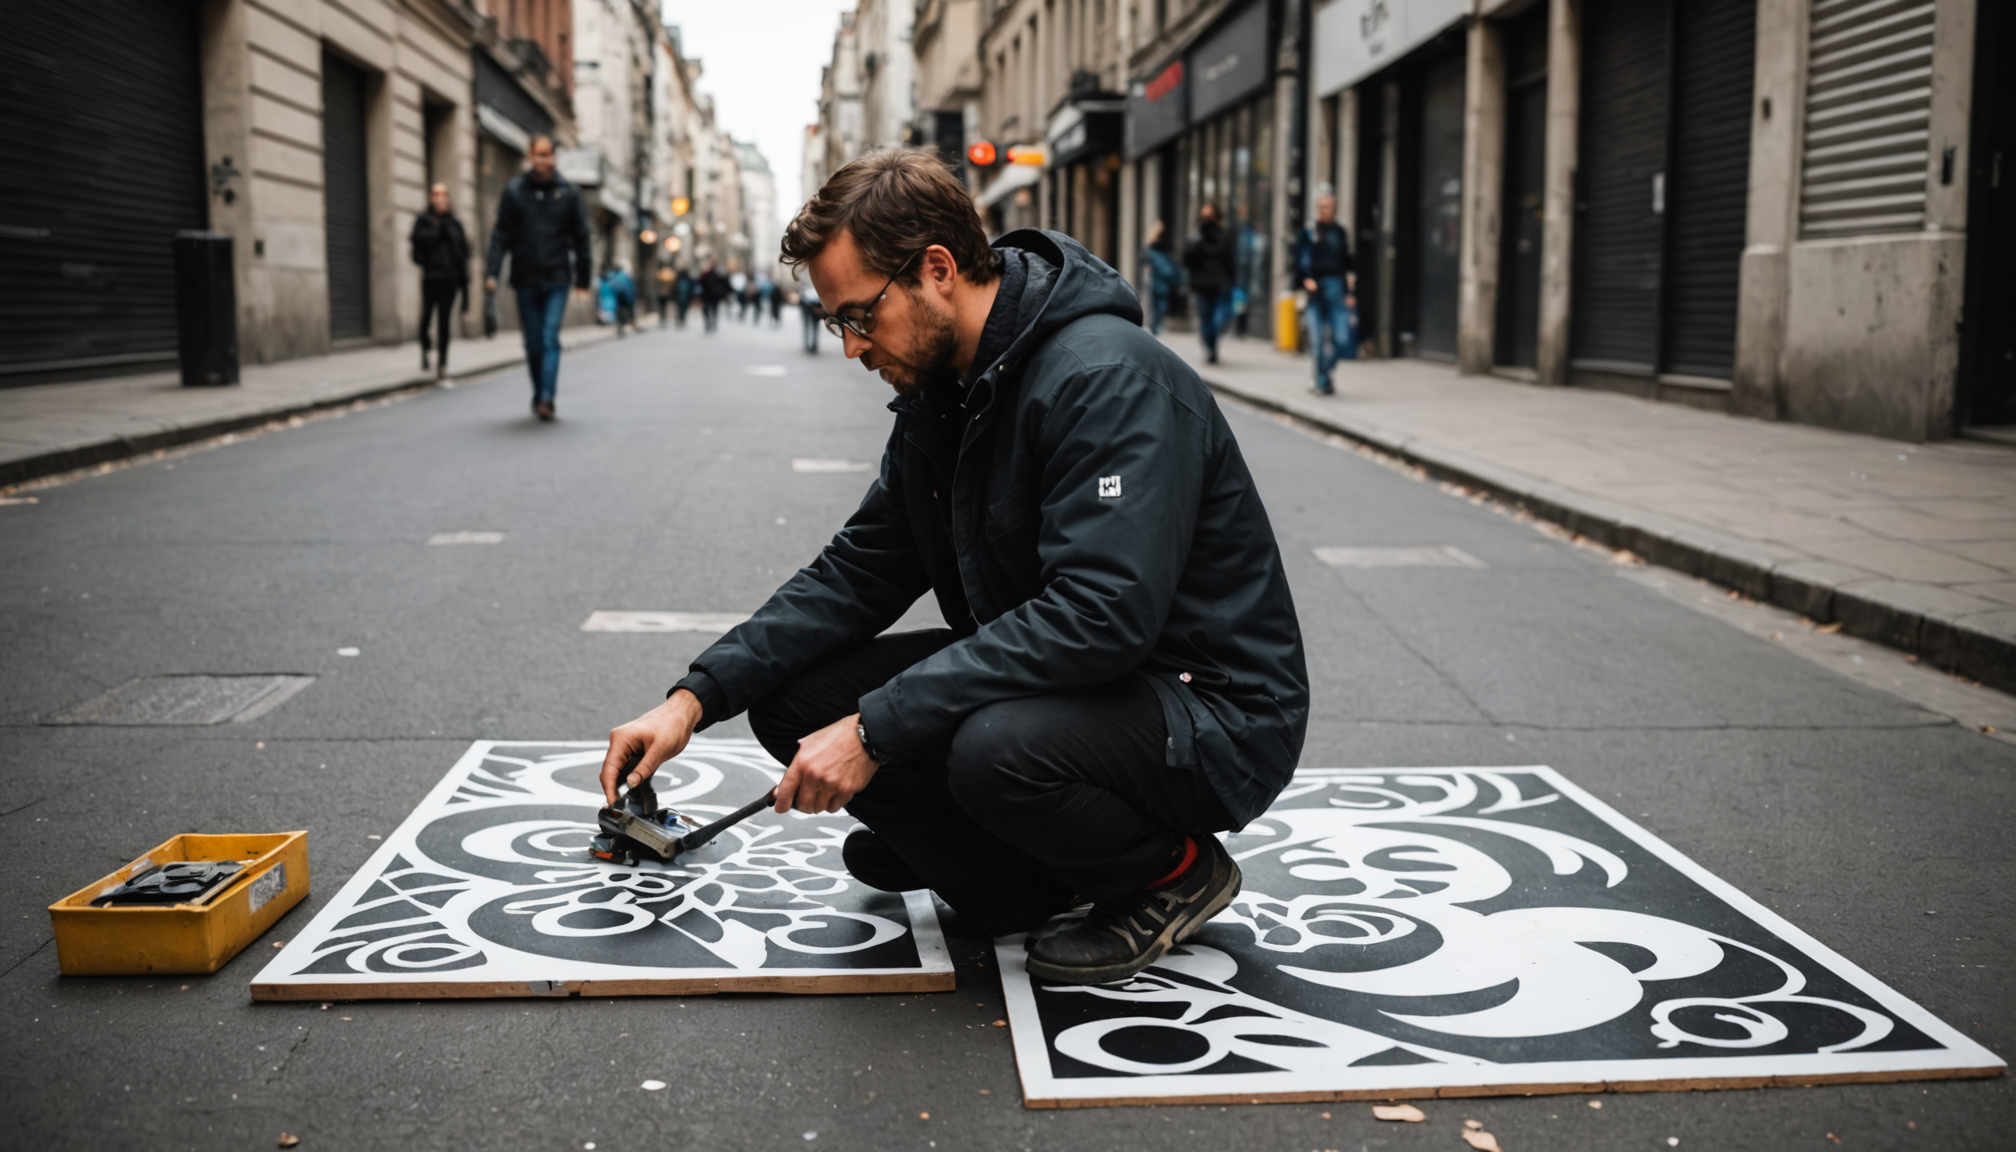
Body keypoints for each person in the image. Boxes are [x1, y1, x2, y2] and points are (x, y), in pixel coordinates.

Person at [599, 148, 1309, 986]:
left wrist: (875, 731)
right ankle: (1020, 874)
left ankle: (1170, 873)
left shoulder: (1104, 378)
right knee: (795, 702)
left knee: (990, 751)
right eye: (836, 323)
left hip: (1208, 710)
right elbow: (856, 572)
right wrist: (693, 699)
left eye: (861, 315)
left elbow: (1100, 615)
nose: (852, 347)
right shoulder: (947, 391)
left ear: (936, 270)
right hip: (1086, 681)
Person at [484, 135, 591, 422]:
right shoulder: (514, 191)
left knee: (549, 337)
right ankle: (538, 392)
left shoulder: (568, 193)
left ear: (554, 157)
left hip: (557, 277)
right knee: (532, 343)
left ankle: (546, 398)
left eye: (547, 155)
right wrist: (492, 271)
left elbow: (581, 238)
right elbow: (500, 234)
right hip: (525, 277)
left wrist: (583, 279)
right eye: (538, 155)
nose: (543, 160)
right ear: (530, 157)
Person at [1294, 192, 1357, 395]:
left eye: (1328, 206)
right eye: (1321, 206)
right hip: (1314, 291)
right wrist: (1306, 280)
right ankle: (1321, 381)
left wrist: (1350, 292)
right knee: (1318, 340)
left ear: (1334, 209)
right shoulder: (1309, 232)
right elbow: (1299, 260)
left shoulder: (1340, 232)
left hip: (1336, 288)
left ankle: (1325, 371)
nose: (1324, 210)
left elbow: (1347, 262)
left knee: (1342, 338)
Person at [408, 183, 469, 380]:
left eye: (443, 194)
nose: (439, 198)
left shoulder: (455, 224)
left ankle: (442, 363)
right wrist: (426, 260)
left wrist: (465, 292)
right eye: (435, 194)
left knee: (444, 322)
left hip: (449, 280)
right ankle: (425, 350)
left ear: (448, 199)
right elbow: (415, 252)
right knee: (426, 318)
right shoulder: (423, 222)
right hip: (430, 278)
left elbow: (462, 257)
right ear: (431, 197)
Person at [1181, 203, 1237, 364]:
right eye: (1204, 217)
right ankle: (1211, 349)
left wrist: (1232, 282)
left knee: (1217, 319)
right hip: (1202, 284)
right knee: (1207, 319)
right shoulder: (1196, 238)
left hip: (1220, 284)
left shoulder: (1224, 236)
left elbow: (1230, 260)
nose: (1207, 220)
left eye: (1210, 216)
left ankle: (1212, 346)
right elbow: (1188, 261)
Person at [1140, 219, 1180, 336]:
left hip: (1157, 280)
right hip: (1161, 280)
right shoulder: (1162, 248)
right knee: (1159, 304)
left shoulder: (1152, 248)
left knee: (1156, 305)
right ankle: (1156, 325)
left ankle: (1155, 325)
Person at [607, 262, 638, 337]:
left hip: (617, 298)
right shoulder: (625, 276)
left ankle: (620, 327)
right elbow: (630, 288)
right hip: (624, 298)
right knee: (624, 312)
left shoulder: (614, 276)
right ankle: (623, 326)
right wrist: (630, 300)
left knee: (619, 312)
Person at [698, 260, 729, 332]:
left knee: (714, 310)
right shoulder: (705, 273)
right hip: (706, 295)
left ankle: (713, 323)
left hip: (715, 296)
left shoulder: (718, 273)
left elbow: (724, 283)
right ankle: (708, 324)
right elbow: (701, 282)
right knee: (706, 310)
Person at [797, 281, 822, 353]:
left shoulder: (806, 289)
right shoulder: (815, 288)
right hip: (812, 310)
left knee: (809, 327)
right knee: (812, 327)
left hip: (811, 310)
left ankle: (811, 344)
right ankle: (811, 344)